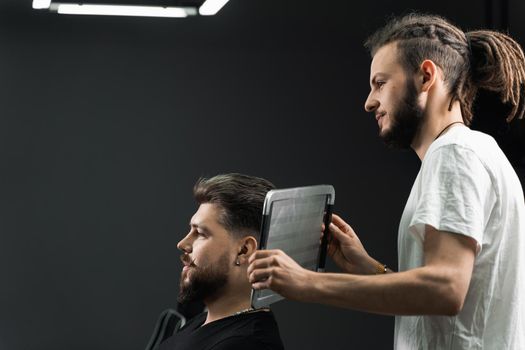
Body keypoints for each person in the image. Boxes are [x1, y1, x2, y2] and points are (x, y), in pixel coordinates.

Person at [248, 13, 525, 349]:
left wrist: (306, 283)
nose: (369, 102)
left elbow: (445, 289)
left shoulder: (454, 153)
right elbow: (445, 302)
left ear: (426, 76)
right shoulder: (475, 150)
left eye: (380, 83)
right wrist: (367, 267)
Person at [160, 173, 284, 350]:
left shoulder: (247, 344)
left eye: (201, 233)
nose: (183, 244)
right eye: (190, 230)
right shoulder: (204, 321)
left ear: (243, 251)